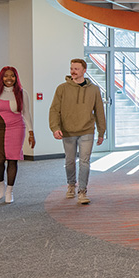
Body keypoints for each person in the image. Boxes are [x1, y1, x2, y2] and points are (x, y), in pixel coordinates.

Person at [49, 58, 106, 206]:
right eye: (71, 68)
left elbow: (99, 111)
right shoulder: (62, 88)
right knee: (69, 161)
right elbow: (54, 110)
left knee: (85, 162)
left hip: (87, 130)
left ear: (84, 71)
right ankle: (71, 185)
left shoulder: (94, 89)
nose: (73, 71)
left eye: (76, 68)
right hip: (68, 131)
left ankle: (82, 191)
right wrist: (55, 127)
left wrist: (101, 131)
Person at [0, 66, 34, 203]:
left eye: (12, 76)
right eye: (6, 76)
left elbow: (26, 113)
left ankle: (10, 190)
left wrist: (31, 132)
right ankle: (1, 183)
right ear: (1, 77)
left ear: (16, 78)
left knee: (13, 159)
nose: (9, 79)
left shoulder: (22, 93)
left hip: (16, 128)